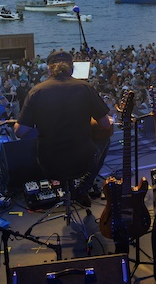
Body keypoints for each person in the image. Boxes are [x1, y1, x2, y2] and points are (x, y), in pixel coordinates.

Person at [13, 50, 112, 207]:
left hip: (49, 164)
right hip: (82, 162)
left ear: (48, 69)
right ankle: (83, 188)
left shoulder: (36, 92)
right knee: (105, 139)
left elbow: (20, 132)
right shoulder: (85, 88)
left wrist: (32, 126)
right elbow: (106, 125)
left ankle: (71, 190)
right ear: (72, 69)